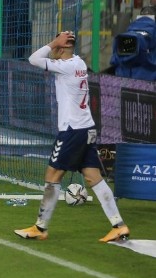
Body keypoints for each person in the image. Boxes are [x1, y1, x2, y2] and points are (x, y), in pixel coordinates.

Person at [15, 31, 130, 242]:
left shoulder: (66, 67)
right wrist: (60, 45)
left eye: (57, 45)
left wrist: (52, 42)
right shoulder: (79, 63)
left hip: (72, 131)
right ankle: (119, 226)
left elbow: (33, 59)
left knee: (53, 175)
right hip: (86, 128)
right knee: (92, 177)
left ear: (60, 47)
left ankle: (40, 228)